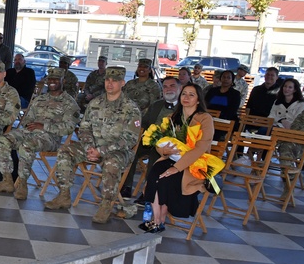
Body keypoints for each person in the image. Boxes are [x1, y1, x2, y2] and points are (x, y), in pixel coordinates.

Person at [44, 66, 141, 223]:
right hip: (92, 147)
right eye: (107, 80)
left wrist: (101, 151)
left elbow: (129, 139)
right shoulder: (95, 103)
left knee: (111, 163)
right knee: (65, 151)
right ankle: (64, 195)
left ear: (123, 83)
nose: (110, 84)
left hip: (117, 151)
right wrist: (89, 146)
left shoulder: (130, 108)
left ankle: (106, 205)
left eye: (114, 81)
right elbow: (84, 127)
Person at [0, 67, 80, 199]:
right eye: (50, 79)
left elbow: (68, 128)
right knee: (3, 140)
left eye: (56, 79)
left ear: (63, 81)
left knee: (27, 145)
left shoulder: (70, 103)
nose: (52, 82)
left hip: (50, 138)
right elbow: (27, 118)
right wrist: (29, 125)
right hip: (30, 132)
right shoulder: (40, 99)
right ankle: (7, 180)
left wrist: (44, 126)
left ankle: (22, 185)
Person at [139, 83, 214, 233]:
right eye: (184, 94)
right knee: (154, 175)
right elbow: (159, 139)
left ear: (198, 100)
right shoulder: (172, 117)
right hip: (171, 159)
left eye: (191, 95)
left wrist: (176, 168)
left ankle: (159, 220)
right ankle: (157, 219)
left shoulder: (205, 119)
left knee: (167, 180)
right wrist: (163, 150)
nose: (186, 97)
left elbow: (200, 148)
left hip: (193, 164)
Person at [121, 76, 181, 200]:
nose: (168, 89)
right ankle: (126, 186)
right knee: (131, 150)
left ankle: (148, 192)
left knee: (156, 155)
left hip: (170, 147)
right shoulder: (156, 105)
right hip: (149, 141)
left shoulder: (183, 108)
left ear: (180, 88)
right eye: (165, 86)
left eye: (172, 86)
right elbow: (145, 123)